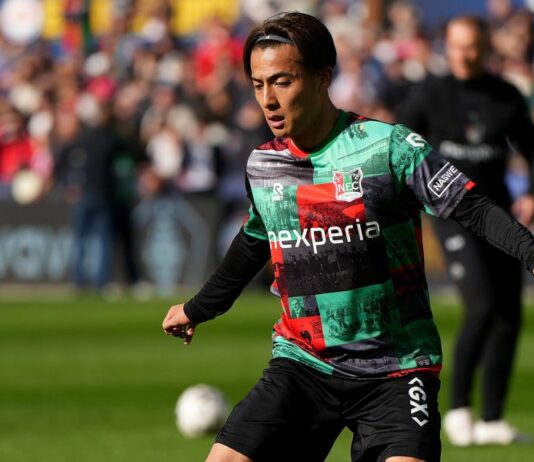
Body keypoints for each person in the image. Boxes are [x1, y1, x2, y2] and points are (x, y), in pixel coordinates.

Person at [162, 12, 534, 462]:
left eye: (282, 82)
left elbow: (472, 207)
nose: (268, 100)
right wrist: (198, 308)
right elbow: (254, 240)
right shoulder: (263, 165)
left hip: (396, 370)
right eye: (258, 85)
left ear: (323, 78)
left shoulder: (387, 147)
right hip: (304, 364)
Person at [397, 16, 534, 447]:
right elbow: (398, 144)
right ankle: (457, 409)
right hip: (452, 215)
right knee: (481, 306)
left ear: (485, 47)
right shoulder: (430, 93)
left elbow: (531, 149)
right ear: (447, 47)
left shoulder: (505, 95)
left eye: (472, 46)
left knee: (509, 313)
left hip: (498, 215)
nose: (465, 55)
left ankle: (492, 417)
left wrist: (531, 193)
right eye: (458, 46)